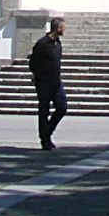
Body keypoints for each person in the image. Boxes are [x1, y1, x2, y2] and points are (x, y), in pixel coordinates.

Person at [29, 16, 66, 150]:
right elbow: (33, 63)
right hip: (44, 83)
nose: (65, 30)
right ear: (58, 28)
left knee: (62, 108)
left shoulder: (58, 43)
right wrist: (38, 76)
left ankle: (47, 132)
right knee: (44, 111)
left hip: (56, 82)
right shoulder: (42, 44)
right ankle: (45, 140)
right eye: (63, 27)